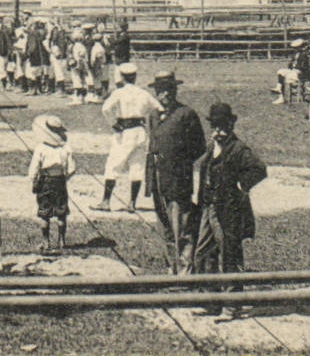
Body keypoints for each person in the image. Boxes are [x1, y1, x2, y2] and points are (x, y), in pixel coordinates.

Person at [192, 102, 267, 317]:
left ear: (231, 125)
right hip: (209, 208)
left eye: (223, 127)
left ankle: (232, 305)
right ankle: (211, 301)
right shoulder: (211, 148)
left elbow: (259, 170)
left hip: (228, 212)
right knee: (203, 253)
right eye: (215, 127)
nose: (219, 132)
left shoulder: (238, 149)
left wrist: (240, 185)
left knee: (229, 255)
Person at [147, 71, 205, 273]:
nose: (166, 94)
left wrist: (179, 164)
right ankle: (170, 267)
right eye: (162, 91)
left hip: (178, 181)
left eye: (170, 90)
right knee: (165, 226)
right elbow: (152, 147)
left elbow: (199, 147)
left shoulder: (186, 114)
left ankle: (185, 269)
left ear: (175, 90)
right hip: (158, 181)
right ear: (156, 93)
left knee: (182, 225)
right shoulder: (153, 115)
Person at [94, 62, 162, 212]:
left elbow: (105, 109)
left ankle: (106, 201)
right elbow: (159, 108)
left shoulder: (119, 92)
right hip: (140, 131)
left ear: (122, 77)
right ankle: (132, 203)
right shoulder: (143, 93)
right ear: (135, 76)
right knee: (136, 167)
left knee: (113, 165)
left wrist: (113, 123)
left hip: (125, 132)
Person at [26, 114, 76, 254]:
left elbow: (34, 168)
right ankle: (62, 240)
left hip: (45, 181)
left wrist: (34, 180)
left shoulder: (40, 148)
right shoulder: (65, 148)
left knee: (44, 212)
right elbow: (72, 169)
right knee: (61, 212)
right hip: (60, 181)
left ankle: (46, 241)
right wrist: (64, 178)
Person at [271, 39, 310, 105]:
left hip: (300, 73)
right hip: (293, 71)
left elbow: (304, 67)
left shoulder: (304, 55)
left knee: (288, 76)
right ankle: (279, 89)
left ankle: (282, 95)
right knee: (280, 72)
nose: (295, 49)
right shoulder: (295, 55)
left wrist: (297, 70)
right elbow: (290, 65)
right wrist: (291, 67)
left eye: (296, 48)